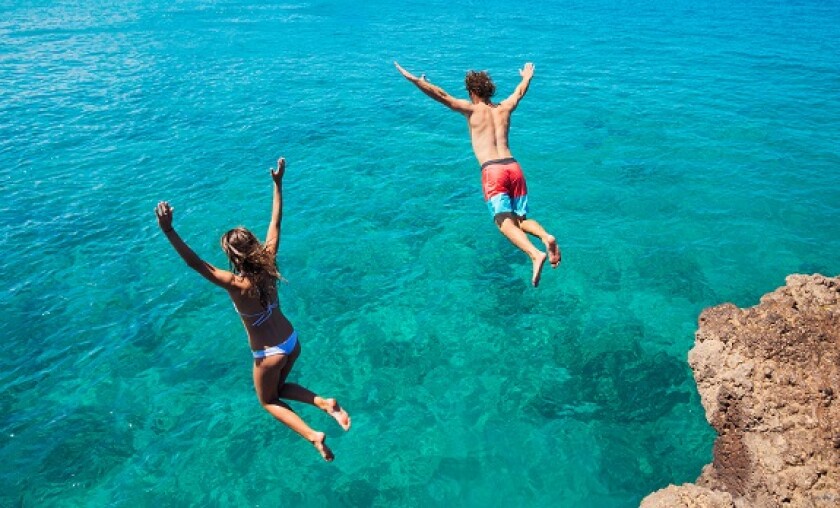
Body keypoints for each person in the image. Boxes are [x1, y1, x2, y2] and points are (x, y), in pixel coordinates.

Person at [154, 158, 350, 462]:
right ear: (254, 245)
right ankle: (324, 403)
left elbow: (195, 263)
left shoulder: (235, 283)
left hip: (268, 354)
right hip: (291, 341)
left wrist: (169, 231)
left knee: (268, 401)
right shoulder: (269, 262)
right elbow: (276, 222)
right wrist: (278, 183)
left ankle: (313, 435)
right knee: (281, 388)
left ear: (232, 256)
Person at [394, 61, 561, 287]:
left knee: (502, 222)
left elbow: (441, 96)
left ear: (472, 92)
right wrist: (527, 77)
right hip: (513, 167)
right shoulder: (504, 108)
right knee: (520, 220)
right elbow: (518, 93)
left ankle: (535, 253)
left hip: (493, 170)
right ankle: (545, 237)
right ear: (489, 90)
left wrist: (416, 80)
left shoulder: (471, 110)